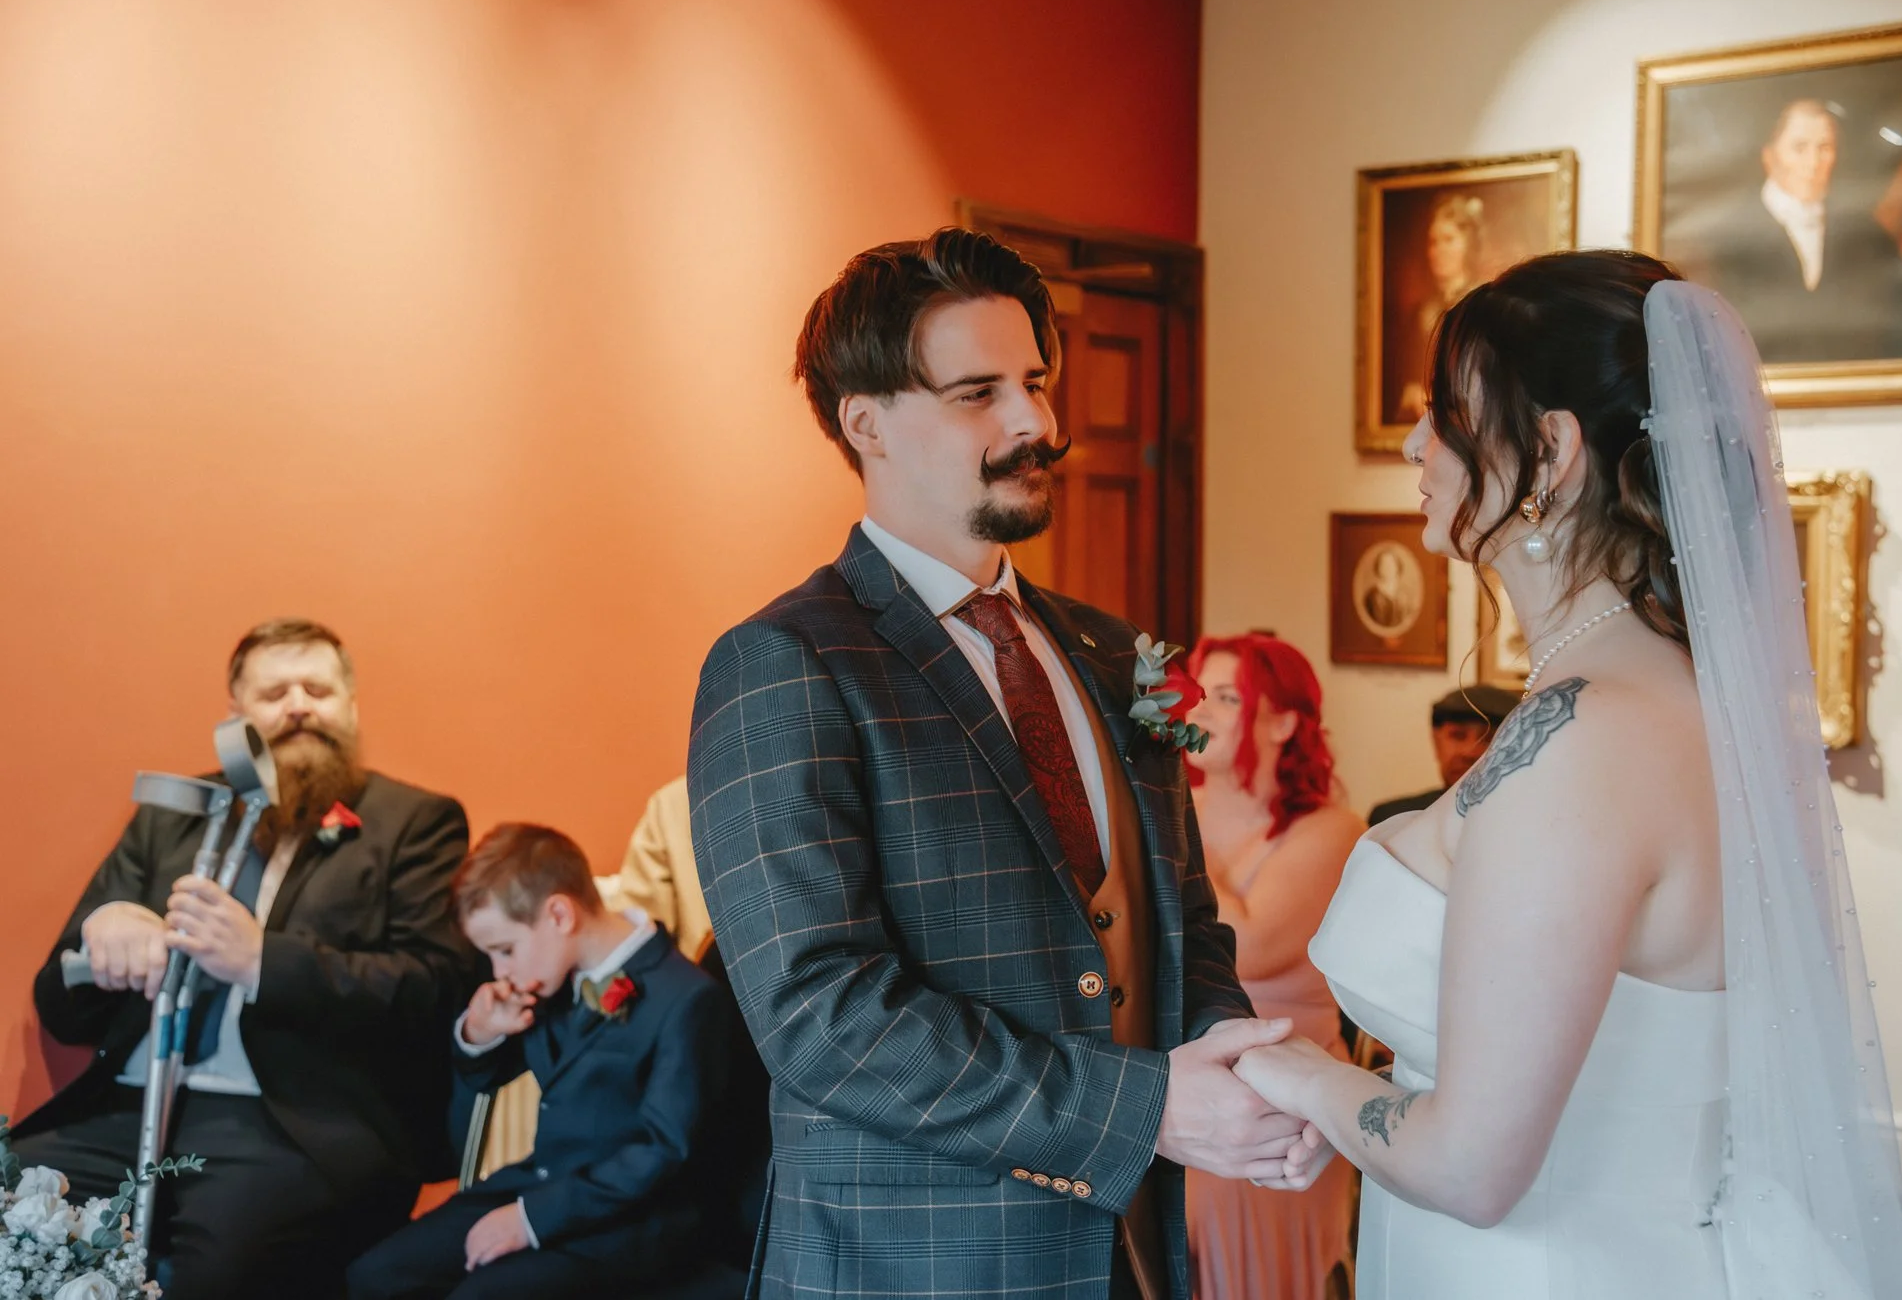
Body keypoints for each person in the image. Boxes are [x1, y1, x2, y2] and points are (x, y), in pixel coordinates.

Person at [1224, 251, 1902, 1297]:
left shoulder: (1580, 738)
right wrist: (1372, 1114)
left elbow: (1469, 1167)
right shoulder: (1684, 702)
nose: (1415, 444)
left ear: (1549, 449)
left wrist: (1312, 1083)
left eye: (1444, 410)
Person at [687, 227, 1323, 1300]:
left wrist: (1248, 1067)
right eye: (977, 392)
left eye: (1033, 381)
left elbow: (1183, 917)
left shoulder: (1127, 654)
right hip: (910, 1265)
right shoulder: (779, 662)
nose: (1036, 423)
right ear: (866, 423)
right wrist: (1147, 1107)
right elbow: (820, 1016)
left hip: (1127, 1249)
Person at [13, 619, 481, 1300]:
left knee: (220, 1278)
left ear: (350, 707)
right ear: (236, 715)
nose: (298, 704)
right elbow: (62, 1008)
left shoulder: (413, 821)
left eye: (317, 688)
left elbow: (438, 986)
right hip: (129, 1104)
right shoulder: (172, 815)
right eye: (274, 691)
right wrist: (103, 932)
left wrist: (264, 959)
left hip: (292, 1123)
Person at [347, 822, 729, 1300]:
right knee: (377, 1275)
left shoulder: (687, 1000)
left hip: (630, 1220)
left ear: (559, 914)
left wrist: (532, 1219)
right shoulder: (551, 983)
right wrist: (479, 1035)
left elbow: (664, 1150)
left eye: (504, 950)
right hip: (535, 1182)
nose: (500, 972)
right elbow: (479, 1097)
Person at [1179, 633, 1365, 1299]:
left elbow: (1246, 946)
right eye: (1200, 690)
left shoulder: (1332, 829)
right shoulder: (1175, 807)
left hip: (1288, 1111)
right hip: (1178, 1092)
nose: (1201, 707)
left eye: (1228, 696)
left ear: (1283, 721)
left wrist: (1169, 818)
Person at [1683, 98, 1902, 365]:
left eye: (1824, 147)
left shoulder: (1870, 238)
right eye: (1799, 148)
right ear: (1770, 156)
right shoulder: (1723, 240)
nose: (1813, 162)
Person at [1366, 684, 1522, 825]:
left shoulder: (1530, 823)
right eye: (1458, 735)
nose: (1469, 752)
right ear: (1436, 742)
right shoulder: (1392, 822)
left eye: (1489, 738)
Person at [1391, 194, 1486, 425]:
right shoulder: (1419, 313)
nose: (1439, 250)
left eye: (1449, 239)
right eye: (1434, 242)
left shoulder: (1483, 307)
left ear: (1468, 244)